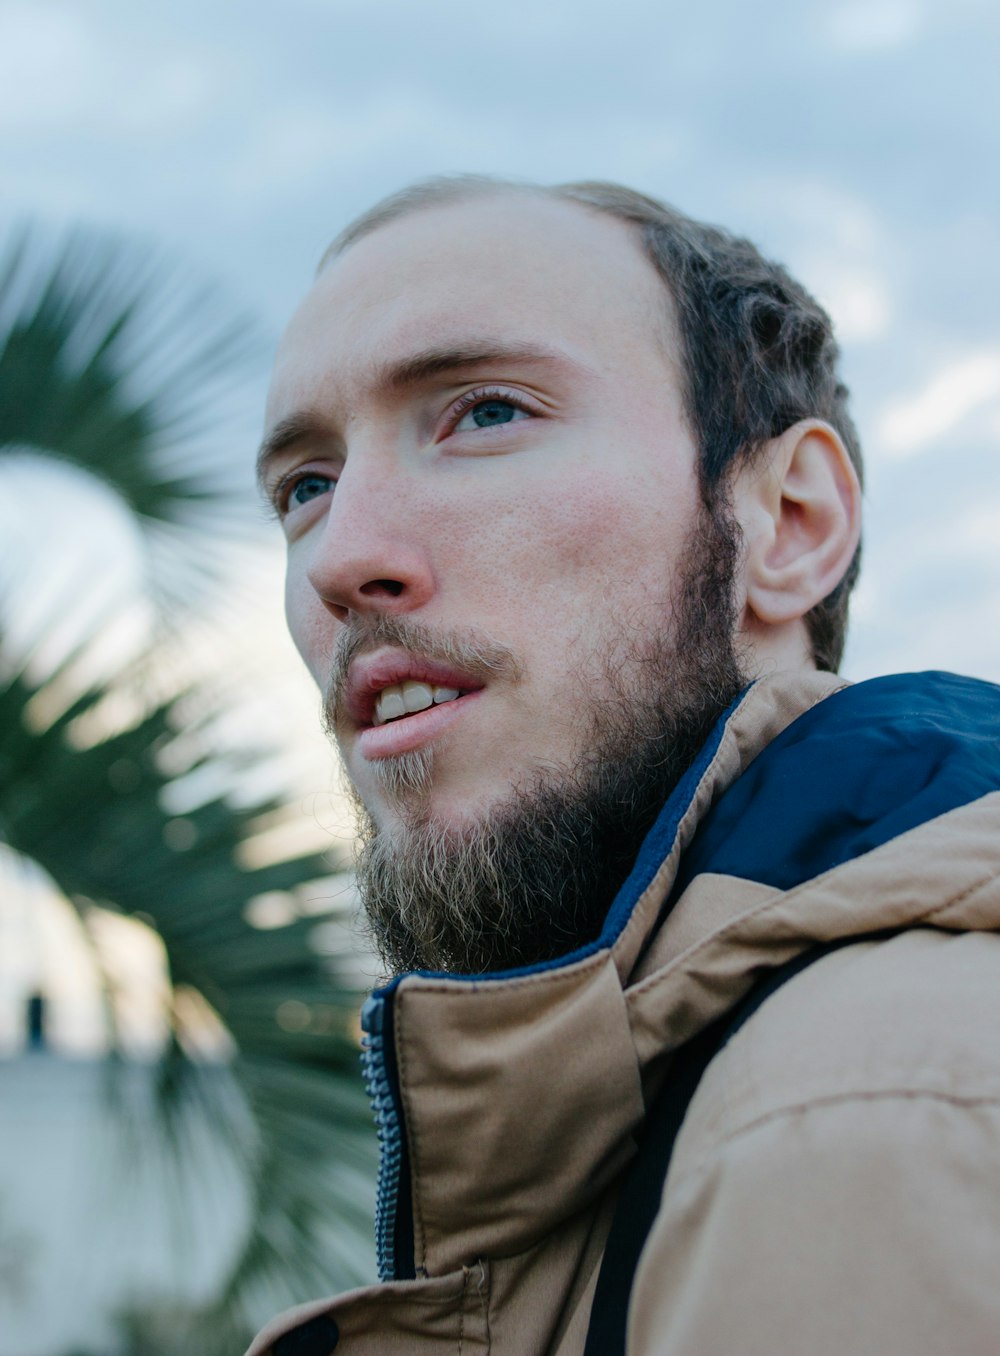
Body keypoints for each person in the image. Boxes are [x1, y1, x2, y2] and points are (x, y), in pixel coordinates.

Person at [248, 177, 1000, 1356]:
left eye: (485, 414)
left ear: (788, 523)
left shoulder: (862, 1115)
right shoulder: (684, 1112)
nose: (342, 557)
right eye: (305, 487)